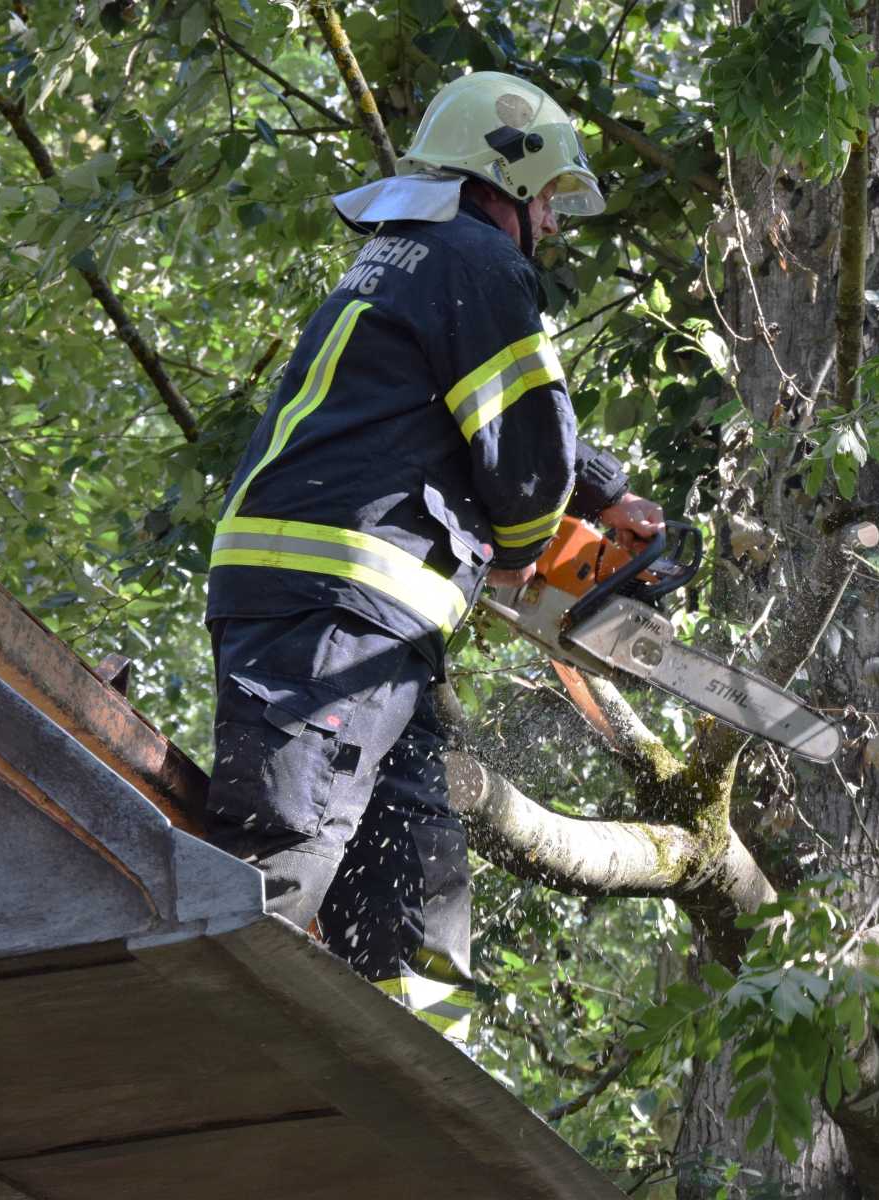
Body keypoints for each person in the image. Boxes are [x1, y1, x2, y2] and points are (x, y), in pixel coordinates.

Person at [204, 71, 662, 1042]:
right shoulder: (477, 261)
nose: (549, 221)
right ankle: (218, 1054)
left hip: (362, 623)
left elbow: (502, 413)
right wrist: (522, 556)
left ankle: (433, 1072)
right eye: (546, 200)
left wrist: (607, 491)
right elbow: (528, 458)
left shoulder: (411, 261)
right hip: (336, 605)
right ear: (511, 176)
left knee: (415, 857)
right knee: (290, 841)